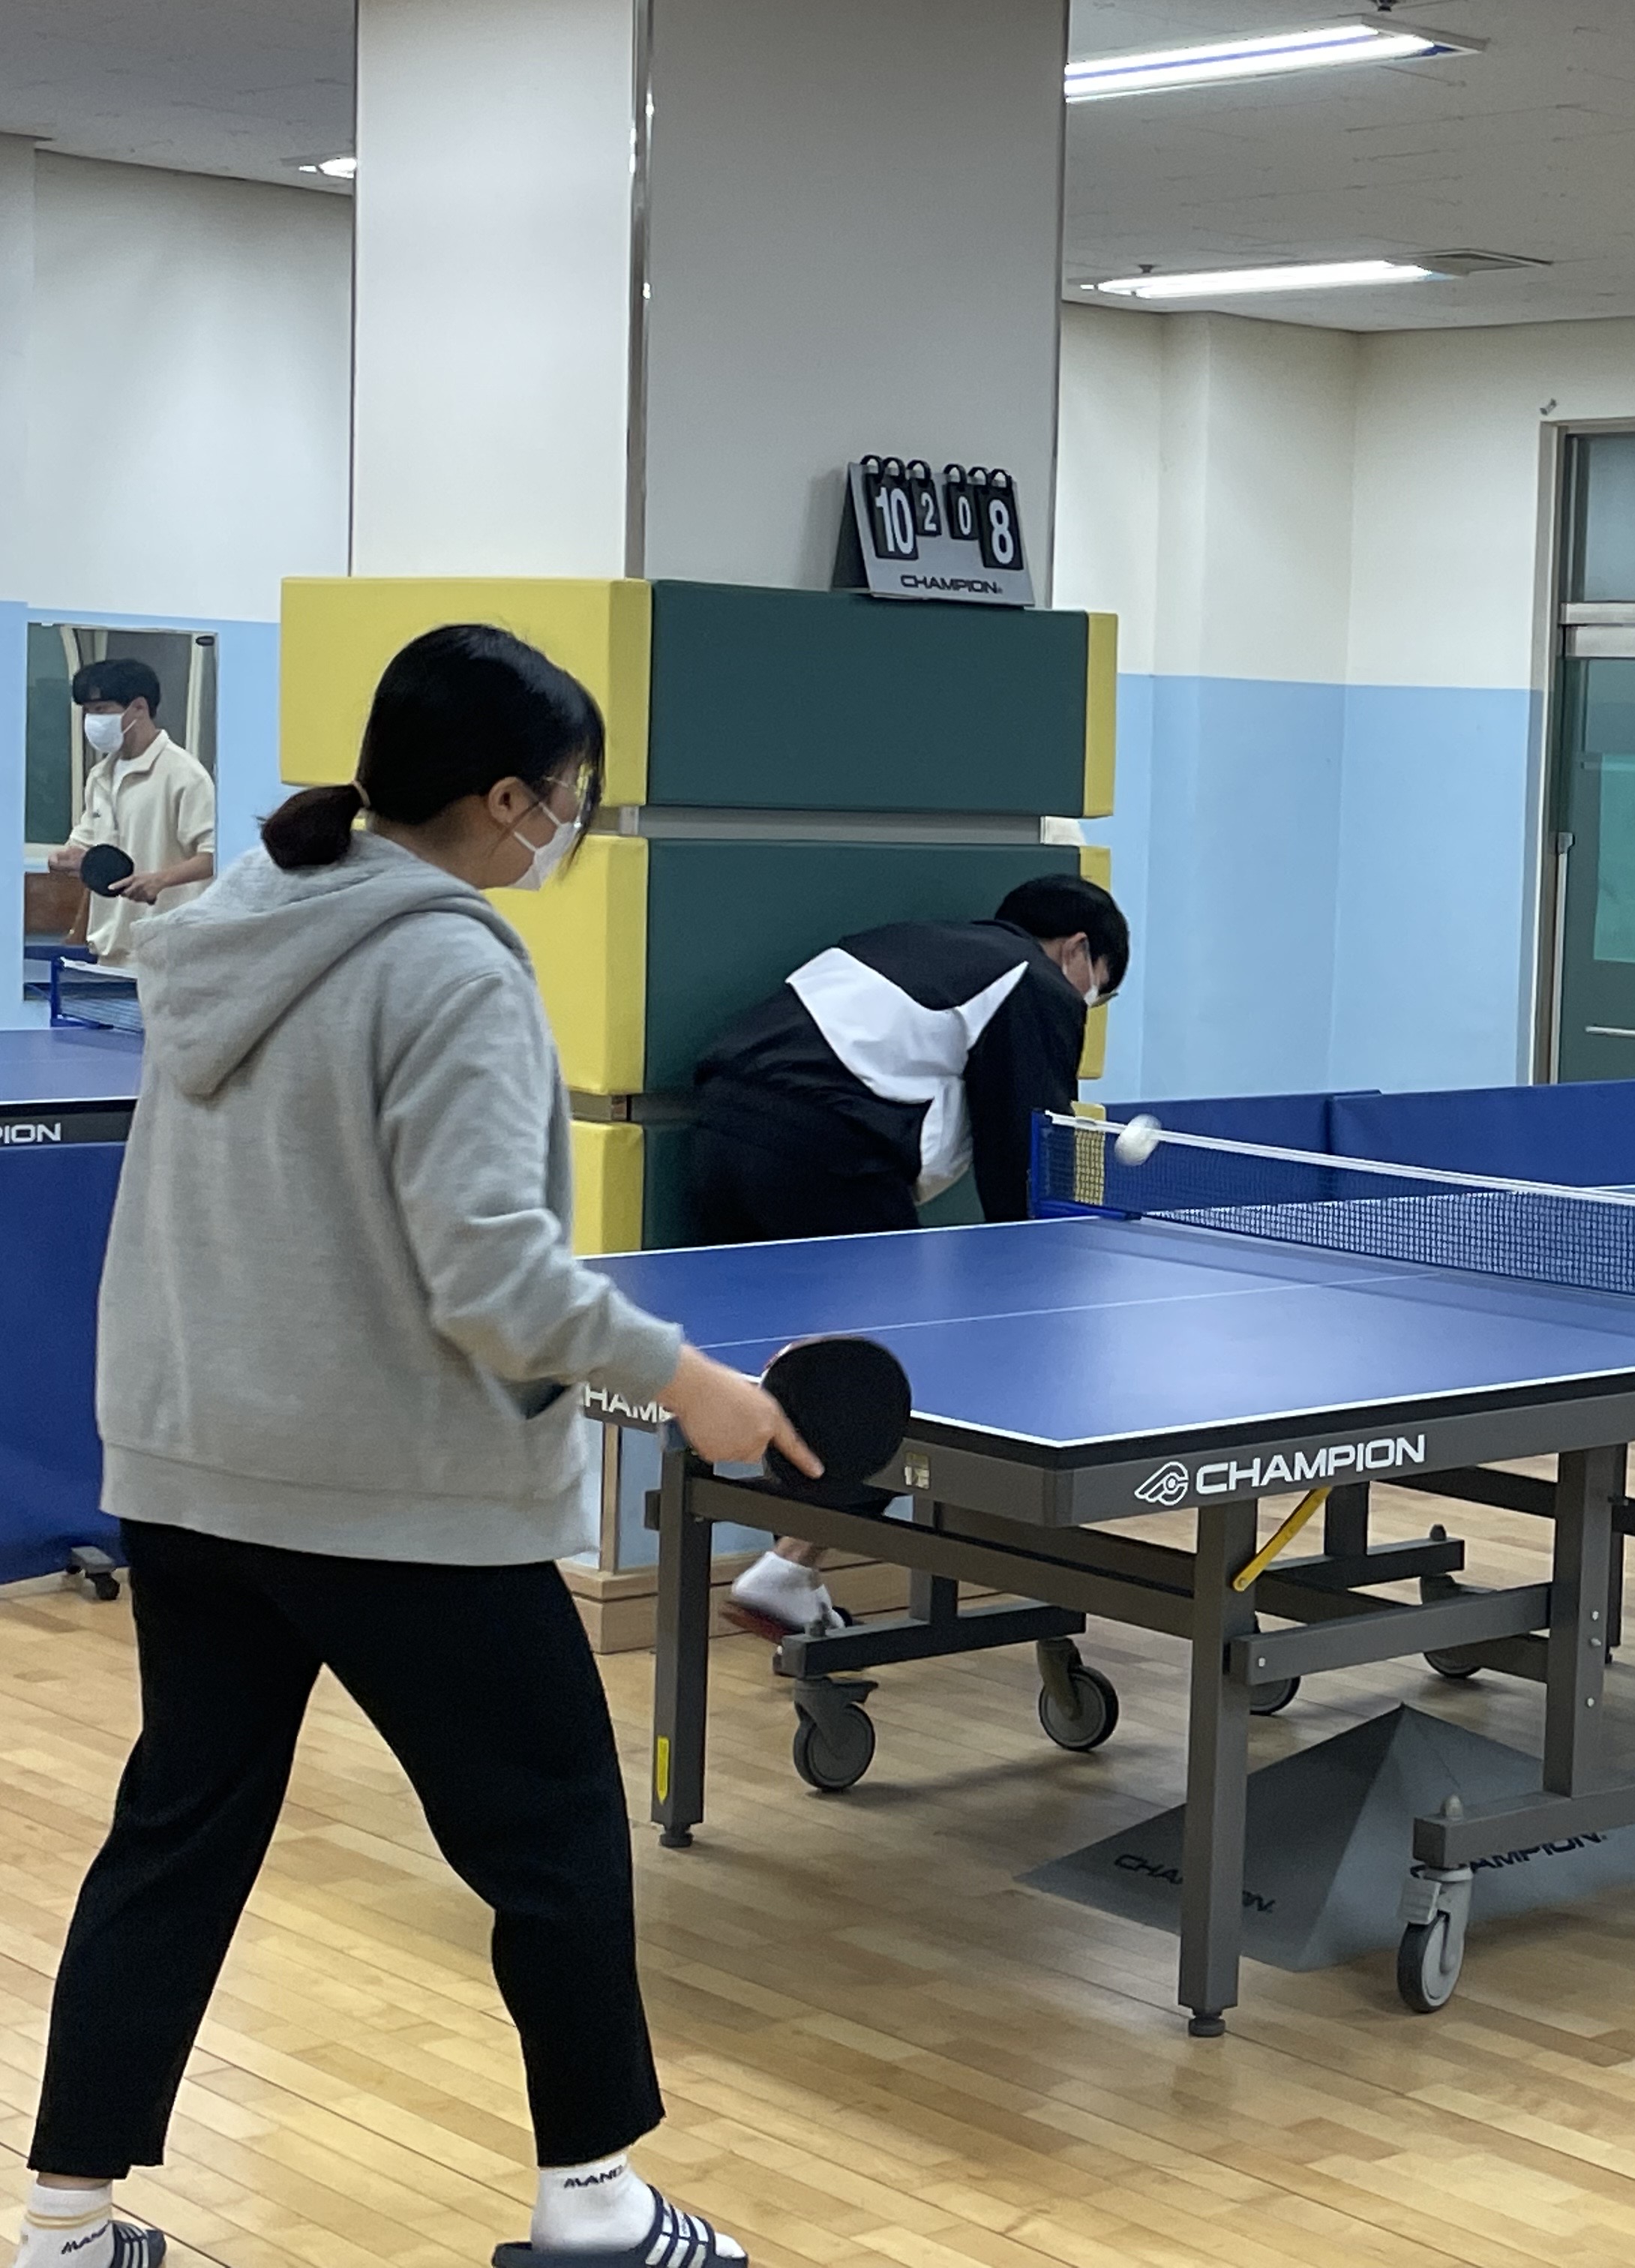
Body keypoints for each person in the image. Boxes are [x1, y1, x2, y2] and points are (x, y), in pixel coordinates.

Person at [15, 626, 812, 2268]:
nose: (569, 827)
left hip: (193, 1471)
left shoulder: (239, 919)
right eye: (567, 796)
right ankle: (593, 2206)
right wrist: (685, 1380)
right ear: (506, 797)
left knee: (179, 1831)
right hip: (391, 1498)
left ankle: (67, 2222)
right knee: (556, 1838)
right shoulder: (450, 968)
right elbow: (495, 1277)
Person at [690, 872, 1130, 1637]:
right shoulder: (1034, 981)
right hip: (824, 1153)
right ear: (1077, 951)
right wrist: (1051, 1271)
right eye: (1100, 989)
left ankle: (789, 1564)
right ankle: (788, 1568)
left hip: (718, 1135)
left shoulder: (913, 946)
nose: (1086, 1005)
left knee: (806, 1369)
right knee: (900, 1375)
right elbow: (1031, 1153)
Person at [44, 658, 218, 967]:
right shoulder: (100, 776)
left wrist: (160, 880)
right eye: (87, 711)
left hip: (169, 953)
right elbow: (85, 845)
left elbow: (213, 856)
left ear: (139, 707)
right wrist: (67, 859)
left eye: (101, 710)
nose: (92, 721)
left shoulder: (185, 775)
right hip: (110, 950)